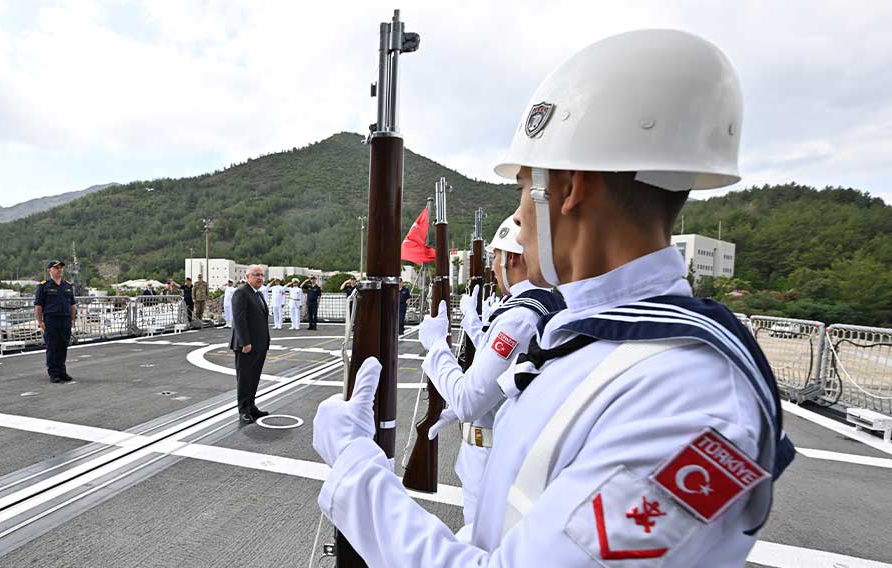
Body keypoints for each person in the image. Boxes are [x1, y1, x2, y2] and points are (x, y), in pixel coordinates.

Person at [313, 29, 794, 567]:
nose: (518, 218)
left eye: (522, 186)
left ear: (570, 187)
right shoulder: (595, 343)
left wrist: (355, 463)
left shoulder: (690, 400)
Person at [418, 217, 565, 536]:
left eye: (494, 258)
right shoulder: (538, 306)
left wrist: (436, 347)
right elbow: (511, 380)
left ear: (511, 258)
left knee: (484, 546)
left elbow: (470, 400)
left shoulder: (520, 317)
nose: (494, 267)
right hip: (499, 451)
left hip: (493, 461)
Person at [229, 265, 271, 423]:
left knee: (254, 377)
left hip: (259, 345)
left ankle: (252, 405)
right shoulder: (241, 293)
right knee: (245, 378)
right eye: (256, 275)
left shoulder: (258, 294)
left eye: (261, 275)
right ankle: (244, 410)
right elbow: (239, 320)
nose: (260, 277)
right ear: (247, 277)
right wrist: (245, 342)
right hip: (247, 346)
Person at [34, 260, 77, 384]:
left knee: (63, 346)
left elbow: (73, 305)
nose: (59, 270)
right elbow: (38, 306)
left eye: (61, 268)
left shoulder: (67, 286)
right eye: (56, 267)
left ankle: (62, 371)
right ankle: (53, 373)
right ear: (49, 270)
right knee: (52, 347)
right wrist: (40, 321)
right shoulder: (44, 286)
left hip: (65, 320)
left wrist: (71, 320)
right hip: (51, 320)